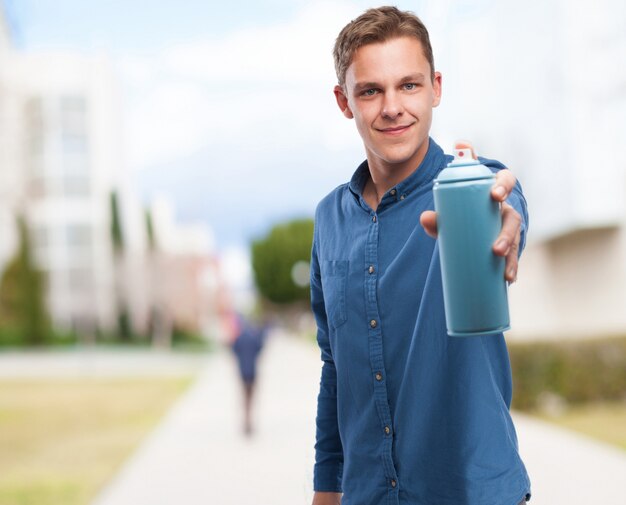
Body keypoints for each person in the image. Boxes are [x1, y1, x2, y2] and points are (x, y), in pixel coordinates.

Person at [310, 6, 530, 505]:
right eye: (371, 90)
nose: (392, 107)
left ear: (435, 87)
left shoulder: (471, 189)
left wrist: (505, 218)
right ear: (345, 101)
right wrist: (327, 490)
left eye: (408, 85)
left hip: (474, 493)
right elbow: (334, 371)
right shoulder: (329, 220)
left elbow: (506, 200)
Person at [230, 313, 265, 436]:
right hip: (252, 372)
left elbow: (233, 350)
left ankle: (246, 420)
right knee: (250, 398)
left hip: (242, 372)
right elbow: (260, 348)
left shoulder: (238, 338)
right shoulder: (253, 337)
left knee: (244, 397)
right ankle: (249, 421)